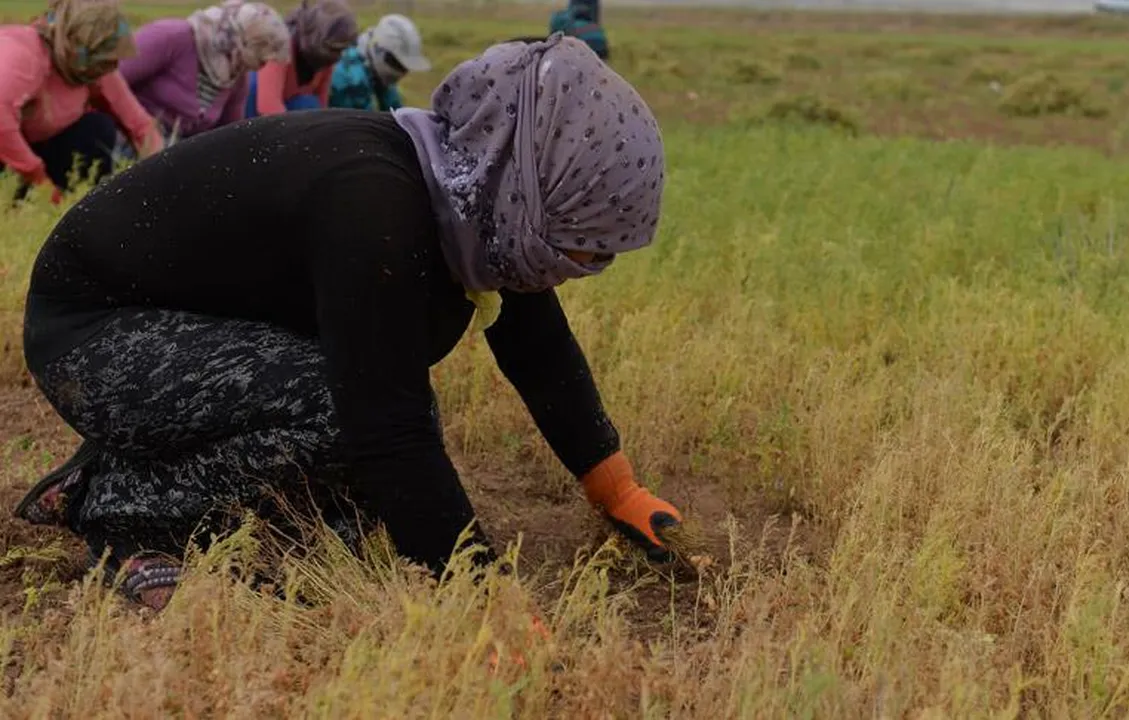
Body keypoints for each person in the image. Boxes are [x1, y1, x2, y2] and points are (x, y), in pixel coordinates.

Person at [16, 35, 682, 611]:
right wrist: (480, 600)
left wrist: (615, 487)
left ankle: (131, 466)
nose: (584, 268)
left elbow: (535, 341)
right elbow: (386, 422)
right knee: (339, 411)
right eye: (580, 245)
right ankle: (116, 507)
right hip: (95, 337)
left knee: (351, 526)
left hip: (185, 332)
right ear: (532, 194)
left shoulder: (472, 191)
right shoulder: (375, 205)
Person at [0, 0, 162, 201]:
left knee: (96, 128)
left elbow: (140, 125)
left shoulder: (93, 67)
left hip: (36, 150)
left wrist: (160, 174)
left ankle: (88, 203)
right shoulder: (22, 54)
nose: (108, 67)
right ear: (73, 44)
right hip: (10, 157)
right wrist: (41, 184)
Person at [118, 0, 290, 141]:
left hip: (176, 152)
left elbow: (229, 134)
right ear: (242, 41)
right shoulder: (173, 37)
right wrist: (142, 128)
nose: (262, 66)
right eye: (260, 57)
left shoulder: (234, 75)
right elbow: (115, 80)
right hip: (129, 139)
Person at [243, 0, 356, 117]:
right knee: (253, 85)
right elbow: (268, 106)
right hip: (255, 114)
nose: (338, 56)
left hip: (286, 114)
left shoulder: (326, 59)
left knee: (309, 104)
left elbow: (321, 104)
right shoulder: (280, 46)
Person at [328, 13, 430, 113]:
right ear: (379, 50)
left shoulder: (373, 69)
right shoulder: (351, 79)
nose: (401, 72)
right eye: (397, 64)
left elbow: (395, 111)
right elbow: (361, 120)